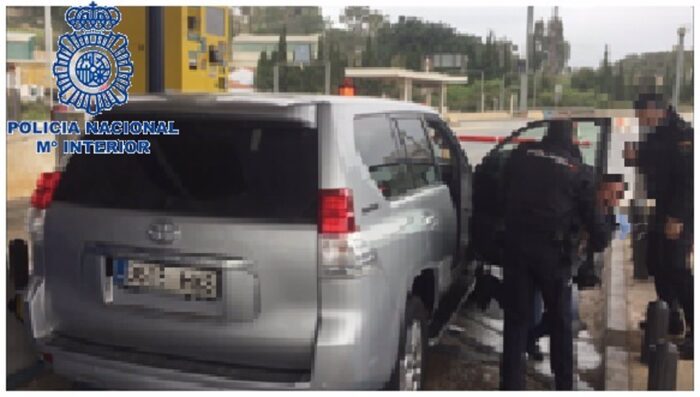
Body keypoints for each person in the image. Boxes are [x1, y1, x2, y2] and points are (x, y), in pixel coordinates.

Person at [499, 119, 613, 390]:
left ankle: (511, 386)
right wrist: (598, 242)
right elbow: (595, 223)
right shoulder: (578, 170)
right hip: (553, 256)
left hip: (516, 249)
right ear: (572, 137)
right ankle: (563, 385)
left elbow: (502, 189)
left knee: (516, 320)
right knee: (561, 323)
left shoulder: (521, 156)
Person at [627, 93, 694, 358]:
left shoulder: (683, 136)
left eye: (642, 115)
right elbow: (653, 164)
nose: (640, 121)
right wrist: (635, 157)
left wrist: (677, 218)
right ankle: (670, 317)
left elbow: (690, 182)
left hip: (680, 212)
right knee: (656, 262)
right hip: (660, 208)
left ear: (656, 110)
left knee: (677, 268)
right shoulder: (655, 134)